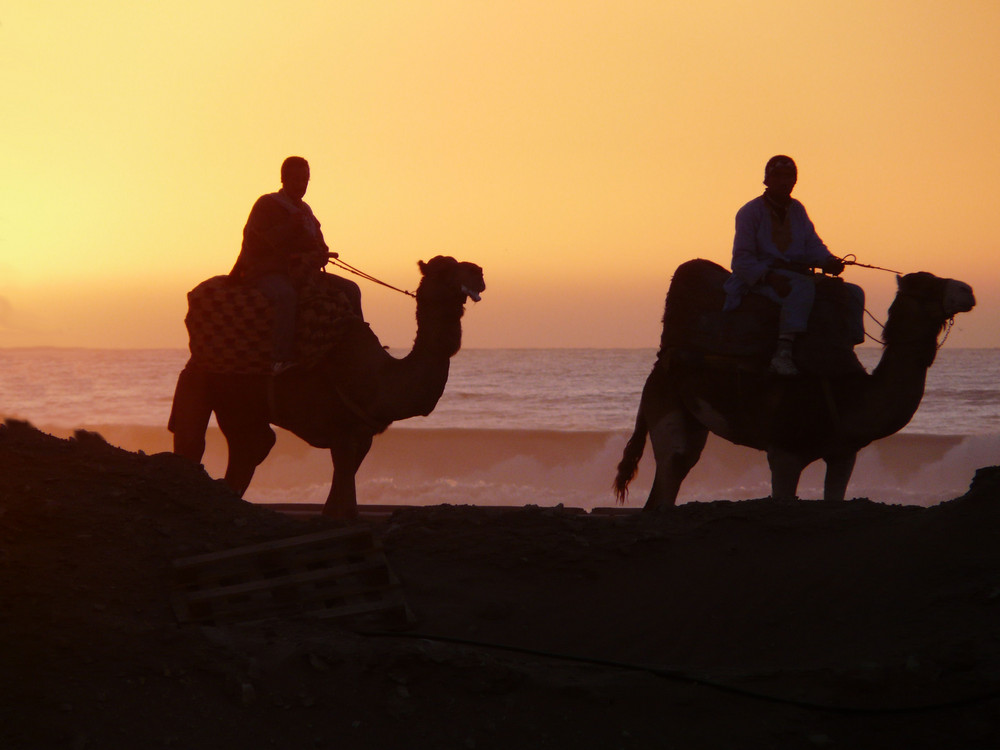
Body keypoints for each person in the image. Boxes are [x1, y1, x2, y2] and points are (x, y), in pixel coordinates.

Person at [722, 155, 865, 376]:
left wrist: (828, 261)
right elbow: (741, 261)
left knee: (854, 293)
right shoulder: (749, 212)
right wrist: (769, 277)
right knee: (802, 288)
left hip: (796, 275)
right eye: (778, 176)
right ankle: (783, 354)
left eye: (789, 176)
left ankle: (846, 349)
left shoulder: (797, 210)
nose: (784, 181)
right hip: (759, 279)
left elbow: (812, 245)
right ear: (766, 180)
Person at [230, 156, 362, 374]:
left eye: (305, 180)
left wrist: (322, 254)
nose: (302, 185)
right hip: (266, 272)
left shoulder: (306, 212)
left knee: (350, 289)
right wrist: (288, 228)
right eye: (296, 179)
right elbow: (256, 243)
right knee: (286, 296)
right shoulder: (266, 204)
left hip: (304, 274)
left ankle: (357, 347)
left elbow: (319, 242)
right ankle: (280, 360)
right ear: (283, 179)